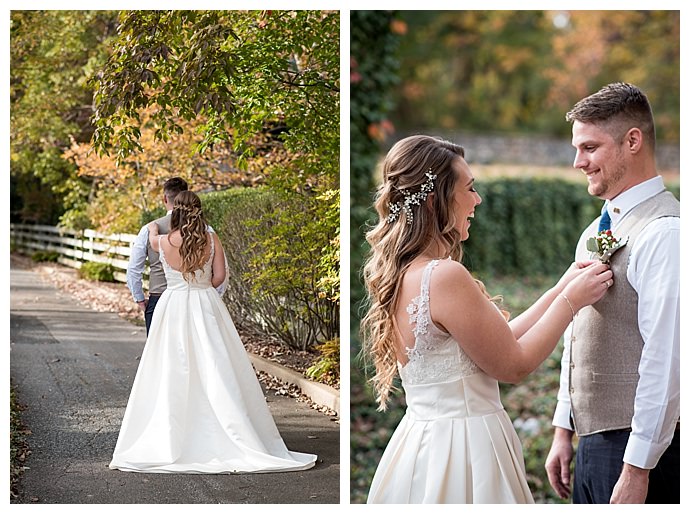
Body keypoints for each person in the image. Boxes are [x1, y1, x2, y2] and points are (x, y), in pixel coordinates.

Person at [360, 134, 613, 503]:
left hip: (422, 445)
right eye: (469, 188)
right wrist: (571, 303)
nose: (477, 200)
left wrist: (561, 288)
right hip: (465, 450)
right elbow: (513, 365)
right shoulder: (444, 276)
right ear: (436, 200)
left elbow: (496, 342)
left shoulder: (403, 274)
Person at [110, 191, 316, 473]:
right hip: (205, 302)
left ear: (175, 212)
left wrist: (151, 228)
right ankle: (228, 427)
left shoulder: (163, 241)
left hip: (172, 305)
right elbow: (219, 277)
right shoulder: (211, 239)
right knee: (216, 364)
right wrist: (202, 282)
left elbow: (150, 239)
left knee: (172, 368)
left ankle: (174, 433)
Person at [544, 82, 680, 504]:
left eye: (589, 148)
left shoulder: (666, 233)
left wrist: (638, 467)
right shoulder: (596, 229)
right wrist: (563, 428)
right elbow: (577, 331)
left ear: (632, 141)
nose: (577, 162)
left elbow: (668, 358)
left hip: (640, 450)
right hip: (591, 444)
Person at [126, 177, 189, 334]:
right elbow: (221, 269)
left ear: (164, 198)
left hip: (159, 298)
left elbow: (134, 268)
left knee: (158, 355)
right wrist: (210, 297)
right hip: (192, 299)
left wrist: (140, 299)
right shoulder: (205, 229)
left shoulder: (149, 229)